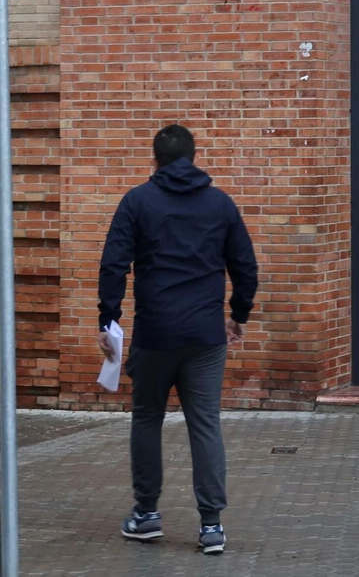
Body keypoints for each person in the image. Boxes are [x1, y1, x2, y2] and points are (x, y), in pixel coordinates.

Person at [97, 123, 258, 556]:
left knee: (147, 418)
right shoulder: (220, 204)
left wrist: (107, 318)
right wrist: (238, 315)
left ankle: (146, 515)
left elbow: (114, 263)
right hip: (206, 337)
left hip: (155, 334)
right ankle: (211, 525)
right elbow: (246, 265)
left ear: (155, 159)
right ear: (193, 156)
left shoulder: (137, 202)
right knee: (205, 424)